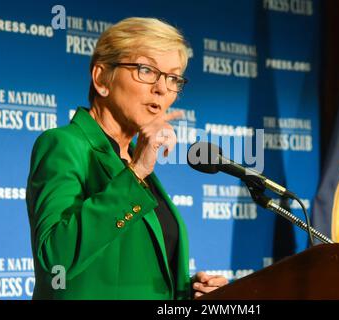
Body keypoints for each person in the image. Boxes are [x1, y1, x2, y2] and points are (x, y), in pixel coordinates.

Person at [26, 17, 228, 299]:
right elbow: (55, 259)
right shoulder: (64, 145)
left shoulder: (132, 158)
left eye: (173, 78)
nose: (162, 88)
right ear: (101, 79)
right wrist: (135, 173)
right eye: (146, 70)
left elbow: (124, 272)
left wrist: (189, 290)